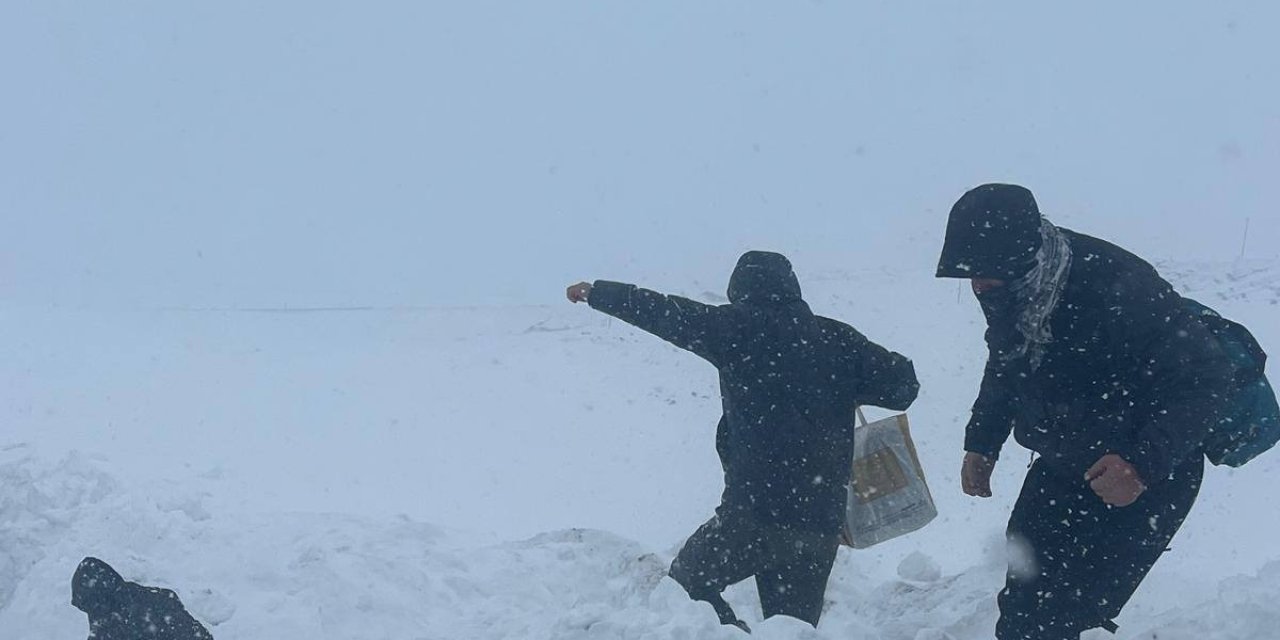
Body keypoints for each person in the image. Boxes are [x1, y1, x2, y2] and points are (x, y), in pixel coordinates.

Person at [936, 184, 1234, 639]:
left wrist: (1140, 465)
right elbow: (1006, 362)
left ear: (1020, 254)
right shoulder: (1015, 291)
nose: (977, 284)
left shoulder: (1118, 285)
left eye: (985, 271)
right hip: (1063, 463)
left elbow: (1207, 378)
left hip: (1146, 478)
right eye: (971, 273)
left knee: (1066, 615)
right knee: (1021, 606)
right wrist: (982, 441)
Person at [567, 251, 919, 631]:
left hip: (754, 515)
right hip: (818, 525)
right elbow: (903, 385)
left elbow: (666, 313)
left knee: (685, 591)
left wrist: (599, 293)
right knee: (792, 631)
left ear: (738, 289)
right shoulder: (838, 338)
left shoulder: (735, 327)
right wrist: (842, 384)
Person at [71, 557, 213, 640]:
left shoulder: (153, 605)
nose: (90, 613)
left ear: (99, 598)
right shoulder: (105, 613)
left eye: (90, 605)